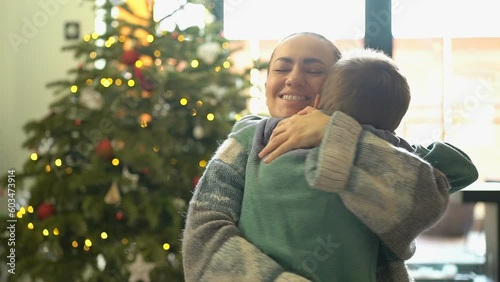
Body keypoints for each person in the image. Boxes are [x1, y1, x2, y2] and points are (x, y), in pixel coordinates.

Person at [181, 32, 478, 282]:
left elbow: (428, 197)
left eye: (313, 70)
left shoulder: (379, 143)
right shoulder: (246, 141)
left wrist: (339, 133)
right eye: (281, 69)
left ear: (340, 84)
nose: (294, 79)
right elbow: (202, 238)